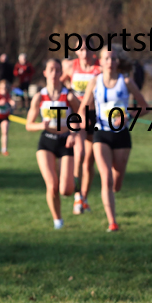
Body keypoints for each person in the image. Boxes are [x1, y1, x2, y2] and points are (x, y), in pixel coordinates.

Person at [77, 48, 148, 232]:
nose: (110, 61)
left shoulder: (126, 82)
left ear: (117, 62)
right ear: (100, 61)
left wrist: (128, 117)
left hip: (122, 135)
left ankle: (113, 196)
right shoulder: (94, 82)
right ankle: (112, 222)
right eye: (107, 58)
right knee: (106, 178)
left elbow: (144, 107)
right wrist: (83, 121)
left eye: (113, 58)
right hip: (101, 134)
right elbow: (83, 107)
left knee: (116, 183)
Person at [25, 58, 79, 229]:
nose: (54, 73)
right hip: (46, 142)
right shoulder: (39, 97)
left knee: (66, 190)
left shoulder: (68, 95)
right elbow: (28, 124)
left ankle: (73, 182)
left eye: (57, 70)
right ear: (45, 73)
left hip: (65, 142)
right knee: (52, 185)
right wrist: (42, 125)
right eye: (51, 70)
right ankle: (58, 220)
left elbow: (80, 117)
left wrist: (73, 133)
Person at [62, 45, 101, 215]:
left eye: (87, 49)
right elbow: (59, 81)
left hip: (94, 114)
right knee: (79, 155)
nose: (84, 53)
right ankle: (77, 196)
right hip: (77, 113)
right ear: (77, 52)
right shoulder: (72, 67)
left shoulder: (99, 68)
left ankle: (84, 197)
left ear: (93, 51)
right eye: (80, 50)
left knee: (89, 161)